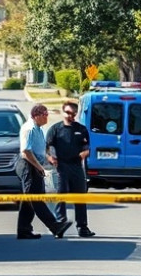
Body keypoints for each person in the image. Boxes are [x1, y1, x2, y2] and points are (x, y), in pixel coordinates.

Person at [14, 103, 73, 239]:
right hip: (28, 166)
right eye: (45, 115)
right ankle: (54, 226)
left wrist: (48, 158)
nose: (47, 117)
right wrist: (40, 168)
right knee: (35, 199)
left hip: (35, 166)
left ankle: (24, 230)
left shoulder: (39, 129)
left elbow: (41, 148)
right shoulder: (29, 129)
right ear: (36, 115)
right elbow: (26, 152)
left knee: (30, 199)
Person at [46, 101, 95, 237]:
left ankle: (82, 227)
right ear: (63, 112)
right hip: (60, 166)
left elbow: (87, 147)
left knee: (80, 196)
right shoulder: (55, 129)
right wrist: (50, 157)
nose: (70, 116)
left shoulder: (81, 129)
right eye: (68, 113)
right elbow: (48, 147)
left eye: (73, 113)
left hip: (76, 166)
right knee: (61, 195)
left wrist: (85, 153)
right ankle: (60, 224)